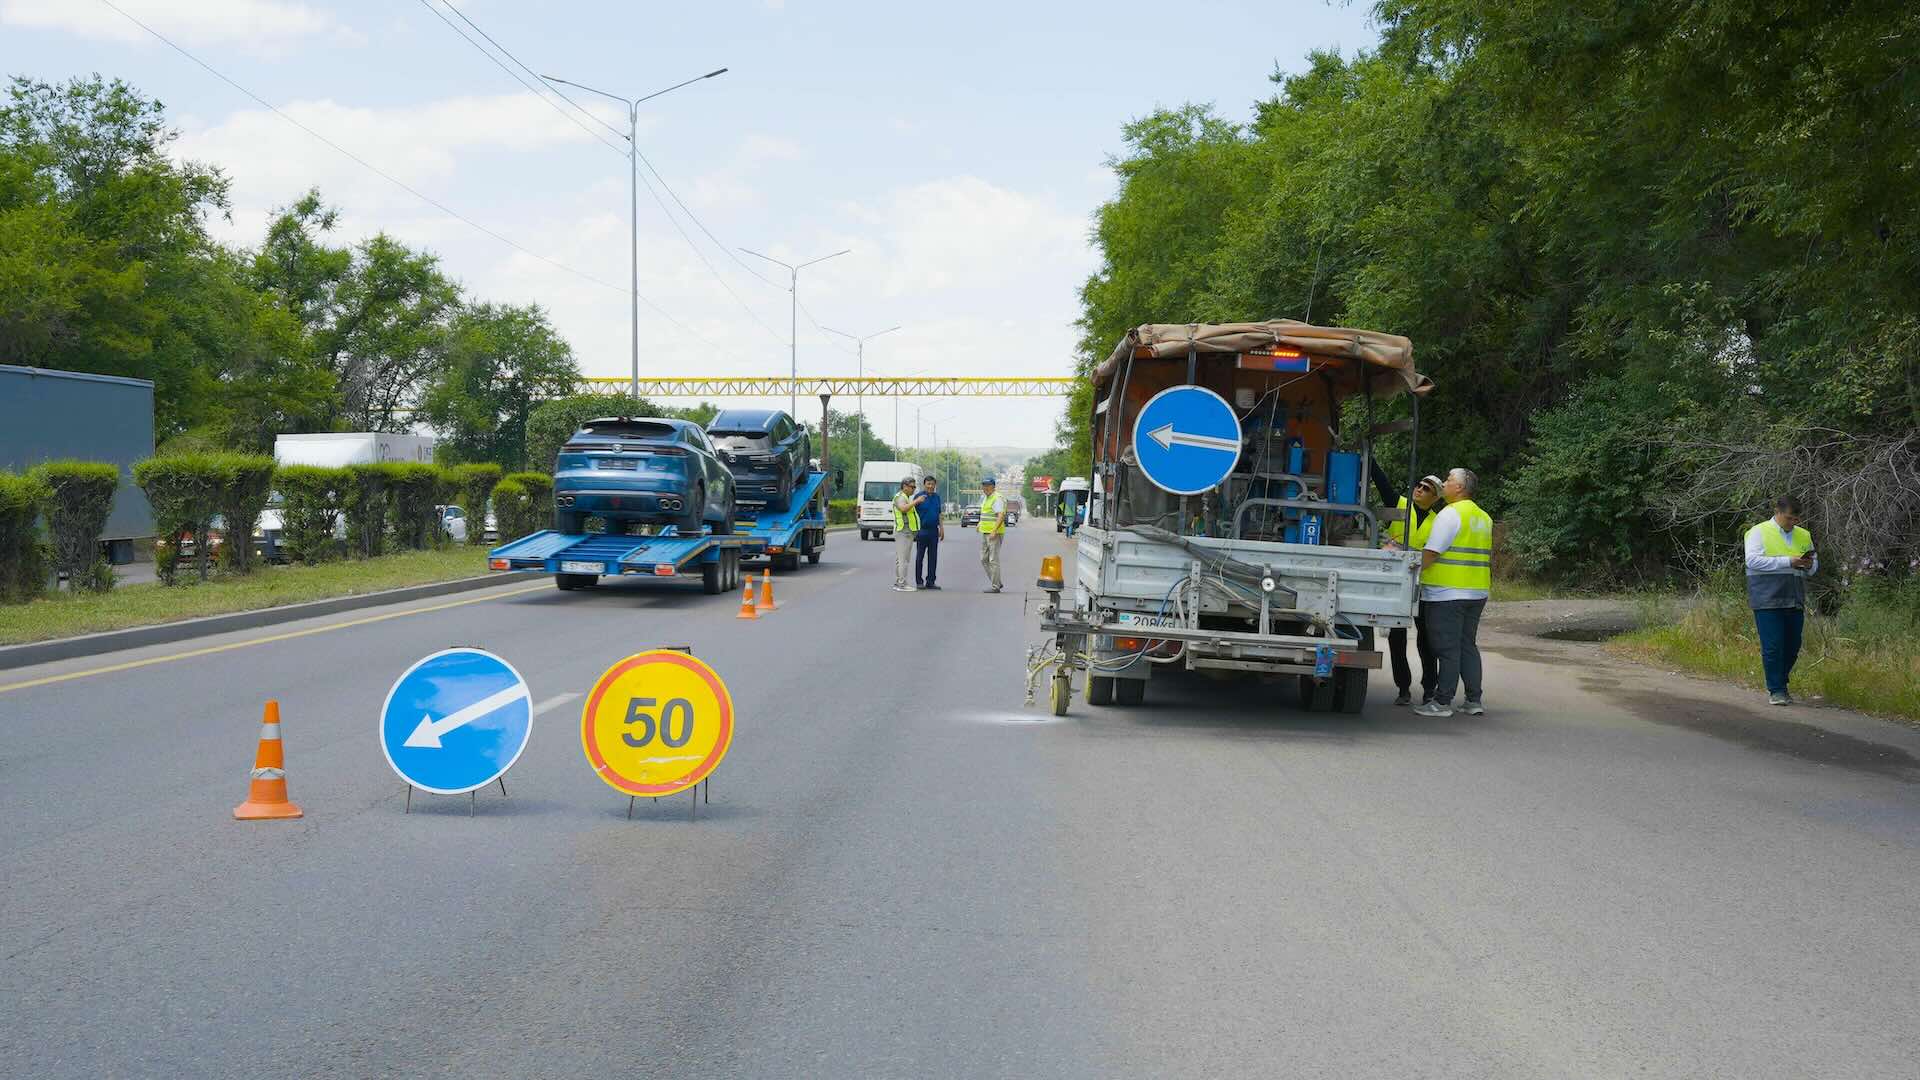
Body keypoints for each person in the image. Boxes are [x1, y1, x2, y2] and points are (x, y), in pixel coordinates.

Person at [1412, 468, 1492, 718]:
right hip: (1476, 591)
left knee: (1446, 648)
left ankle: (1442, 702)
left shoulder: (1450, 514)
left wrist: (1411, 572)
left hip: (1447, 593)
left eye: (1448, 480)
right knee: (1467, 644)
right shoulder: (1483, 517)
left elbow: (1432, 552)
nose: (1444, 484)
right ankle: (1473, 700)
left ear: (1459, 488)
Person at [1745, 495, 1817, 705]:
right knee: (1773, 645)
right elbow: (1752, 560)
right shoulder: (1758, 532)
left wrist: (1808, 565)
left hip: (1794, 597)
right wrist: (1788, 562)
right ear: (1777, 512)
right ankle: (1776, 689)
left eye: (1796, 519)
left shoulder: (1804, 535)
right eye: (1789, 518)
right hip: (1767, 597)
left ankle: (1780, 682)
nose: (1793, 523)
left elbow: (1813, 566)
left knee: (1793, 645)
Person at [1385, 474, 1444, 706]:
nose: (1419, 489)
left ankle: (1429, 687)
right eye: (1418, 485)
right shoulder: (1400, 504)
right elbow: (1382, 481)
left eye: (1426, 488)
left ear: (1435, 497)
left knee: (1426, 639)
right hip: (1398, 582)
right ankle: (1403, 688)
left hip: (1425, 584)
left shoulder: (1439, 520)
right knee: (1396, 636)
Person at [890, 476, 921, 593]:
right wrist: (916, 502)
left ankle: (899, 582)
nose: (914, 489)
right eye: (912, 487)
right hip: (903, 531)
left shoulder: (905, 497)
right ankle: (902, 584)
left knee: (900, 559)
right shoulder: (900, 497)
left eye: (915, 487)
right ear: (904, 486)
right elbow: (903, 509)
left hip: (906, 531)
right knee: (904, 559)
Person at [914, 475, 945, 590]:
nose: (930, 486)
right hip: (922, 531)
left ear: (935, 485)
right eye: (928, 484)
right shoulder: (918, 497)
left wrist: (941, 528)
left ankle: (930, 581)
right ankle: (919, 581)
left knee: (933, 557)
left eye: (932, 484)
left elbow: (939, 514)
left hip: (933, 531)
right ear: (924, 484)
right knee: (919, 557)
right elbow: (912, 513)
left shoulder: (937, 497)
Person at [978, 476, 1006, 593]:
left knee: (993, 559)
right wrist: (980, 523)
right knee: (984, 559)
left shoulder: (997, 498)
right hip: (985, 532)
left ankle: (995, 586)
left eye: (989, 485)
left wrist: (994, 530)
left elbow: (1000, 515)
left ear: (993, 486)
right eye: (984, 485)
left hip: (994, 533)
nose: (986, 488)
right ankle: (997, 582)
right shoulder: (986, 498)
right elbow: (986, 513)